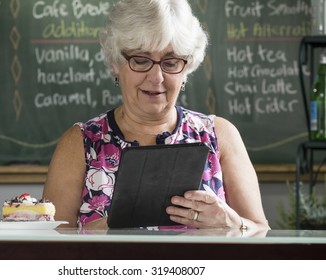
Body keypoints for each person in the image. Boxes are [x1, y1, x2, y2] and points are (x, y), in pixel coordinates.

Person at [43, 0, 270, 231]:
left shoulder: (220, 135)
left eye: (171, 63)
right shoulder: (80, 142)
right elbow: (50, 245)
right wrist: (98, 232)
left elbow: (261, 230)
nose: (157, 77)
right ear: (115, 62)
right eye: (141, 60)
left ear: (187, 68)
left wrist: (233, 222)